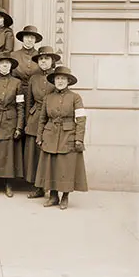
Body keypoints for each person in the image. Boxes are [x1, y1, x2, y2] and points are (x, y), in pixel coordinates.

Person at [35, 66, 88, 210]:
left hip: (68, 135)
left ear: (68, 81)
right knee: (51, 166)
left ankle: (65, 196)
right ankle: (53, 196)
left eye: (63, 79)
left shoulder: (75, 97)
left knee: (66, 167)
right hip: (50, 134)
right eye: (57, 78)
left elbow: (81, 119)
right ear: (54, 81)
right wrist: (39, 136)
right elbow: (42, 119)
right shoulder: (48, 98)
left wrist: (79, 139)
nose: (60, 81)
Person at [0, 52, 24, 197]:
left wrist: (19, 126)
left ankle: (8, 184)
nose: (5, 66)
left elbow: (20, 106)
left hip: (10, 121)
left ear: (11, 66)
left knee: (8, 154)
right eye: (2, 63)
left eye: (7, 63)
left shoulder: (17, 83)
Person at [24, 46, 59, 199]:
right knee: (35, 155)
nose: (43, 61)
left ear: (52, 61)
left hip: (51, 120)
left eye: (46, 59)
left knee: (50, 154)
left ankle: (52, 188)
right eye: (41, 59)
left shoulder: (58, 78)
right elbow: (28, 102)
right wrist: (26, 121)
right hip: (35, 117)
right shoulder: (33, 78)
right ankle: (38, 187)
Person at [11, 25, 44, 95]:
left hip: (36, 93)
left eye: (32, 38)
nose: (29, 40)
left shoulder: (40, 57)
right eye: (27, 37)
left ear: (35, 40)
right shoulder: (13, 55)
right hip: (17, 92)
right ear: (22, 39)